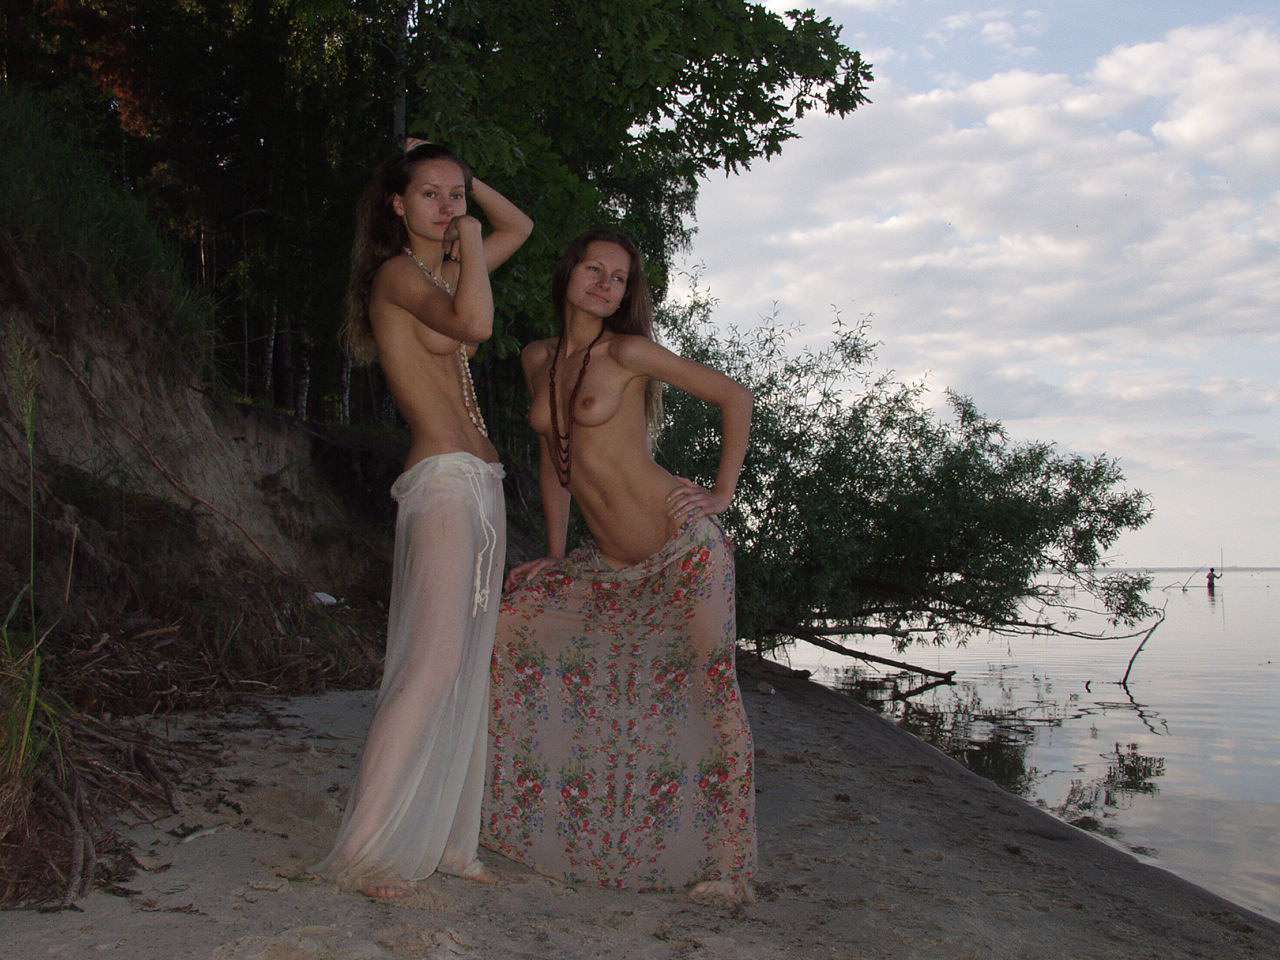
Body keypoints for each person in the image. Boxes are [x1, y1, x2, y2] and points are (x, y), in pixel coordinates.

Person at [482, 229, 757, 905]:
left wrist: (721, 494)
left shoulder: (628, 352)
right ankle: (536, 826)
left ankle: (724, 867)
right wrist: (554, 556)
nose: (606, 284)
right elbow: (555, 461)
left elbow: (736, 396)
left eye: (620, 278)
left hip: (683, 552)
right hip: (609, 562)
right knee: (510, 631)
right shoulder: (538, 358)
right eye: (594, 269)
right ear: (568, 272)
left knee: (707, 692)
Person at [310, 140, 532, 900]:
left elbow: (521, 227)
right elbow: (476, 326)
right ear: (397, 207)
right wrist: (466, 230)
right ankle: (367, 851)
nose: (447, 207)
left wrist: (469, 181)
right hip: (441, 483)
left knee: (470, 663)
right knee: (432, 663)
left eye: (454, 195)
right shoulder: (399, 275)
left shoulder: (445, 271)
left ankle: (449, 841)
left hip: (482, 482)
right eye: (429, 195)